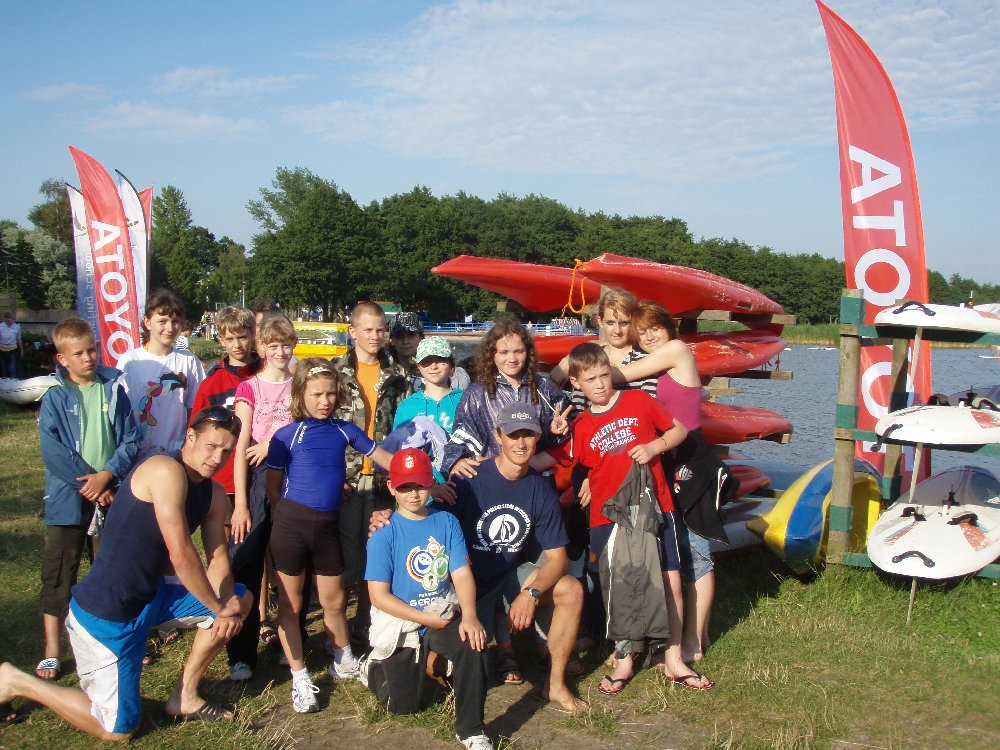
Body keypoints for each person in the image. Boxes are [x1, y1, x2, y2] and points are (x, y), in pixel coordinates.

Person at [0, 407, 252, 740]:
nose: (218, 458)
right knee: (119, 730)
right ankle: (16, 681)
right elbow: (181, 554)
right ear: (190, 436)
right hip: (108, 614)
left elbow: (218, 558)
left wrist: (225, 603)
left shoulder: (214, 494)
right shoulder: (164, 470)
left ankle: (185, 696)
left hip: (151, 596)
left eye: (226, 450)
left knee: (240, 598)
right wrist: (218, 607)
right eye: (211, 446)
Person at [373, 402, 587, 713]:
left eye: (528, 434)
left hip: (508, 577)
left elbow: (558, 558)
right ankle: (409, 662)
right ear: (498, 436)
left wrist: (530, 594)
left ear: (538, 437)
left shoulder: (540, 490)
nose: (521, 443)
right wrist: (386, 518)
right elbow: (421, 518)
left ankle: (554, 684)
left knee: (572, 589)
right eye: (513, 435)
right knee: (448, 671)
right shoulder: (470, 478)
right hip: (465, 588)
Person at [537, 343, 691, 695]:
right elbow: (551, 459)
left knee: (670, 583)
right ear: (576, 384)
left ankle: (673, 656)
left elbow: (678, 430)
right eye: (591, 379)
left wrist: (654, 447)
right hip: (607, 518)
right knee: (620, 587)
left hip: (656, 507)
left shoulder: (639, 401)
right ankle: (625, 658)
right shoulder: (580, 424)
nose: (600, 384)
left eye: (605, 375)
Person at [441, 317, 572, 685]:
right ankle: (506, 648)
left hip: (537, 490)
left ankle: (546, 644)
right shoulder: (477, 393)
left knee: (543, 564)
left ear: (528, 353)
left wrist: (559, 433)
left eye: (518, 350)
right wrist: (456, 460)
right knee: (498, 558)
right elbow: (459, 438)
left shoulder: (544, 388)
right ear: (492, 355)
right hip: (493, 490)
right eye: (503, 351)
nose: (511, 358)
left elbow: (567, 432)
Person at [266, 359, 393, 713]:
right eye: (317, 394)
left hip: (326, 529)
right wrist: (288, 517)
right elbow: (273, 488)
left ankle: (343, 659)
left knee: (335, 602)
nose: (325, 401)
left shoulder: (344, 430)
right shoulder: (286, 436)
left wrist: (420, 473)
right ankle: (300, 676)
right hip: (291, 527)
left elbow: (383, 457)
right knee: (291, 606)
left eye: (331, 394)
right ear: (300, 395)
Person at [618, 302, 733, 676]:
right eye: (642, 332)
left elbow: (622, 374)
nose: (649, 336)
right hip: (664, 459)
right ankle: (686, 634)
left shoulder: (677, 350)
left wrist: (577, 369)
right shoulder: (658, 362)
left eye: (655, 327)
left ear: (670, 327)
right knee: (674, 550)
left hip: (690, 461)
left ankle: (694, 642)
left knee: (697, 551)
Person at [35, 318, 141, 682]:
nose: (88, 358)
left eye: (92, 349)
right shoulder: (55, 396)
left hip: (110, 492)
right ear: (62, 358)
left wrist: (107, 475)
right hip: (68, 499)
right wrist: (91, 483)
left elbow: (130, 439)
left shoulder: (113, 389)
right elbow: (54, 451)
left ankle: (111, 639)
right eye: (79, 353)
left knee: (111, 569)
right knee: (59, 572)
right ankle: (52, 649)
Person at [363, 448, 491, 750]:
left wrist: (470, 615)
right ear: (391, 487)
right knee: (403, 705)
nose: (413, 494)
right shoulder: (383, 533)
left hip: (440, 611)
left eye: (420, 485)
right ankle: (374, 668)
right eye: (404, 487)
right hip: (403, 620)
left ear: (431, 484)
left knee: (473, 645)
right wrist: (424, 619)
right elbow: (378, 596)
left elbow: (461, 573)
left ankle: (471, 729)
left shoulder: (446, 522)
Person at [189, 304, 265, 681]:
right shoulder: (212, 383)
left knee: (251, 564)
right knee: (225, 563)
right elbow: (196, 435)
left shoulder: (266, 373)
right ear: (220, 339)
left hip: (260, 482)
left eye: (243, 336)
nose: (237, 344)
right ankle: (226, 640)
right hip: (223, 487)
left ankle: (250, 646)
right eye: (230, 338)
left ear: (253, 335)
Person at [332, 302, 411, 636]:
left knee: (376, 557)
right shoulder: (334, 373)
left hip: (383, 480)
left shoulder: (398, 376)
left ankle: (366, 624)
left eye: (380, 329)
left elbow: (407, 429)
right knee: (341, 560)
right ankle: (335, 628)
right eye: (368, 330)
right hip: (346, 480)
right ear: (353, 332)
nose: (375, 336)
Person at [117, 289, 205, 459]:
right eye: (162, 321)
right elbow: (120, 412)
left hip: (176, 452)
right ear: (147, 322)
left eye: (175, 321)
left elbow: (195, 408)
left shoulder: (189, 360)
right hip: (136, 454)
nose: (170, 328)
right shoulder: (130, 361)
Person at [390, 336, 465, 479]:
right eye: (426, 362)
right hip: (420, 484)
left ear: (451, 365)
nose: (433, 366)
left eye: (440, 360)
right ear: (418, 366)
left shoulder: (466, 400)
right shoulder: (407, 406)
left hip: (461, 481)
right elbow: (399, 451)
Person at [390, 311, 471, 391]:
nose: (405, 341)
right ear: (392, 340)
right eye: (399, 336)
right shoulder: (386, 372)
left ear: (422, 338)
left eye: (411, 335)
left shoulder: (451, 374)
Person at [0, 311, 23, 378]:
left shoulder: (17, 327)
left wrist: (21, 351)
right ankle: (5, 382)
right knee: (3, 369)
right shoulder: (1, 326)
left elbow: (19, 339)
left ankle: (13, 381)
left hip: (12, 351)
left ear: (13, 320)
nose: (9, 322)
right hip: (2, 351)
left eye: (11, 320)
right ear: (5, 319)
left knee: (12, 369)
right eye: (7, 320)